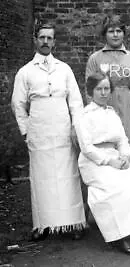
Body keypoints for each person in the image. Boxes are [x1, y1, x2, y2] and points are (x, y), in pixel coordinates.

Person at [11, 23, 86, 241]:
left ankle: (73, 224)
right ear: (35, 39)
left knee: (67, 177)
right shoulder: (25, 72)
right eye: (41, 37)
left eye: (49, 38)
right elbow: (18, 105)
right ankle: (43, 225)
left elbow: (76, 102)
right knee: (42, 179)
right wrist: (26, 132)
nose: (45, 42)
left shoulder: (64, 69)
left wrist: (75, 127)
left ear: (54, 42)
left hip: (63, 132)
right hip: (39, 133)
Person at [75, 72, 130, 256]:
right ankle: (122, 237)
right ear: (91, 92)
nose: (104, 93)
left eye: (106, 89)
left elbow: (122, 140)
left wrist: (125, 156)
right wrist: (109, 161)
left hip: (115, 157)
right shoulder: (83, 115)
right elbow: (87, 148)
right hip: (94, 163)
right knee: (119, 188)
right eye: (99, 89)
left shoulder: (112, 114)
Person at [85, 14, 130, 176]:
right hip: (106, 108)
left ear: (124, 33)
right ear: (104, 34)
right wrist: (94, 116)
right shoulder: (95, 59)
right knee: (109, 147)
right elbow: (89, 90)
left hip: (129, 109)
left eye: (118, 31)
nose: (115, 35)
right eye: (111, 31)